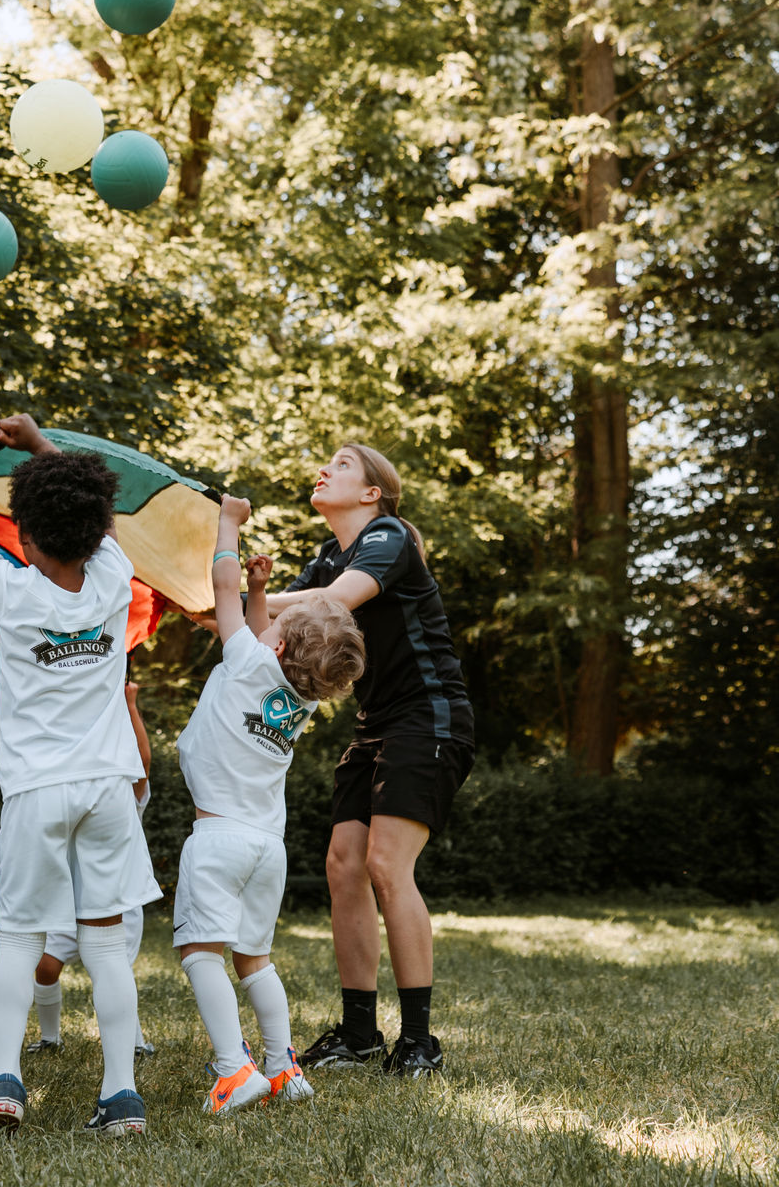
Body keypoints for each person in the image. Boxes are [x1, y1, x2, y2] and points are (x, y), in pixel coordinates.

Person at [0, 413, 161, 1138]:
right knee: (103, 943)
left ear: (26, 540)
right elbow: (98, 522)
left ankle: (5, 1082)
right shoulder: (111, 576)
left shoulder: (13, 591)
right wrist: (40, 443)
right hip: (107, 786)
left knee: (20, 938)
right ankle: (121, 1095)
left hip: (38, 789)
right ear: (97, 528)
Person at [267, 444, 475, 1078]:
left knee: (387, 863)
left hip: (430, 716)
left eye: (342, 465)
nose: (323, 469)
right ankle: (359, 1033)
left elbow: (329, 604)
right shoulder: (326, 556)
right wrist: (206, 597)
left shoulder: (388, 538)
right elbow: (264, 626)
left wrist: (246, 596)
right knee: (343, 864)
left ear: (371, 493)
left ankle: (418, 1042)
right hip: (376, 724)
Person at [175, 495, 365, 1114]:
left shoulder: (248, 660)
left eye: (277, 629)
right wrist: (265, 596)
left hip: (218, 840)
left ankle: (235, 1071)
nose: (267, 629)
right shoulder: (298, 696)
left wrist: (229, 525)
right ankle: (284, 1068)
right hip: (266, 848)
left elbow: (221, 588)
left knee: (200, 951)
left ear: (277, 649)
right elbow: (260, 628)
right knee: (254, 959)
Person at [27, 684, 156, 1060]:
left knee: (112, 971)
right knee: (45, 967)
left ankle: (134, 1043)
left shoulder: (121, 797)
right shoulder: (66, 793)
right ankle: (50, 1038)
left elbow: (142, 764)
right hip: (69, 903)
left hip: (118, 903)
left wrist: (129, 703)